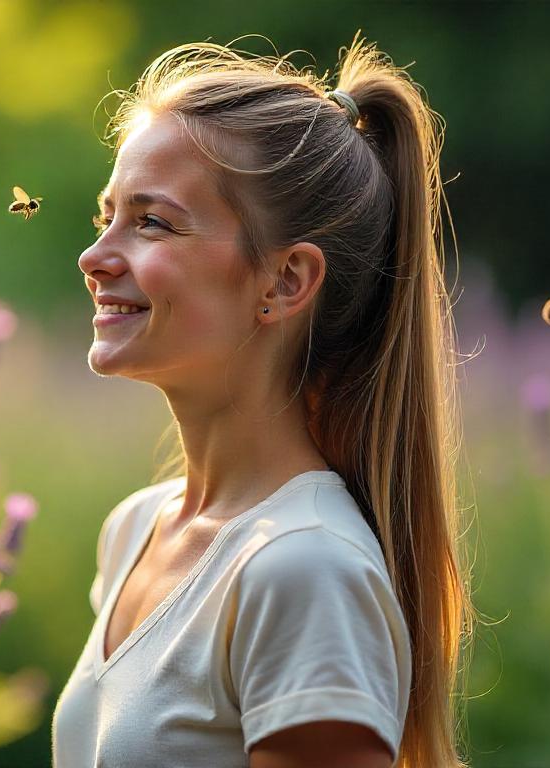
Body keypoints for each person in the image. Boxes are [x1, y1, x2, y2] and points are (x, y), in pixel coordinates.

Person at [51, 34, 473, 768]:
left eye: (152, 222)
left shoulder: (306, 570)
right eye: (106, 215)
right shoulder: (135, 531)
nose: (95, 258)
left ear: (283, 282)